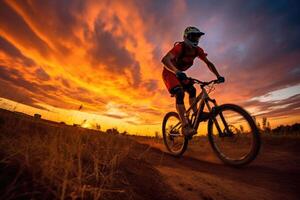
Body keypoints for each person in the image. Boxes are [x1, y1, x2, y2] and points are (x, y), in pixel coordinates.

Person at [161, 26, 225, 137]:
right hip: (169, 73)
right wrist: (176, 71)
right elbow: (165, 60)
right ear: (187, 37)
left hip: (179, 74)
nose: (196, 39)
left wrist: (218, 75)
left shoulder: (197, 50)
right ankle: (185, 126)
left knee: (192, 90)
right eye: (193, 37)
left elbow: (208, 63)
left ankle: (196, 114)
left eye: (197, 37)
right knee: (180, 93)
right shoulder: (180, 47)